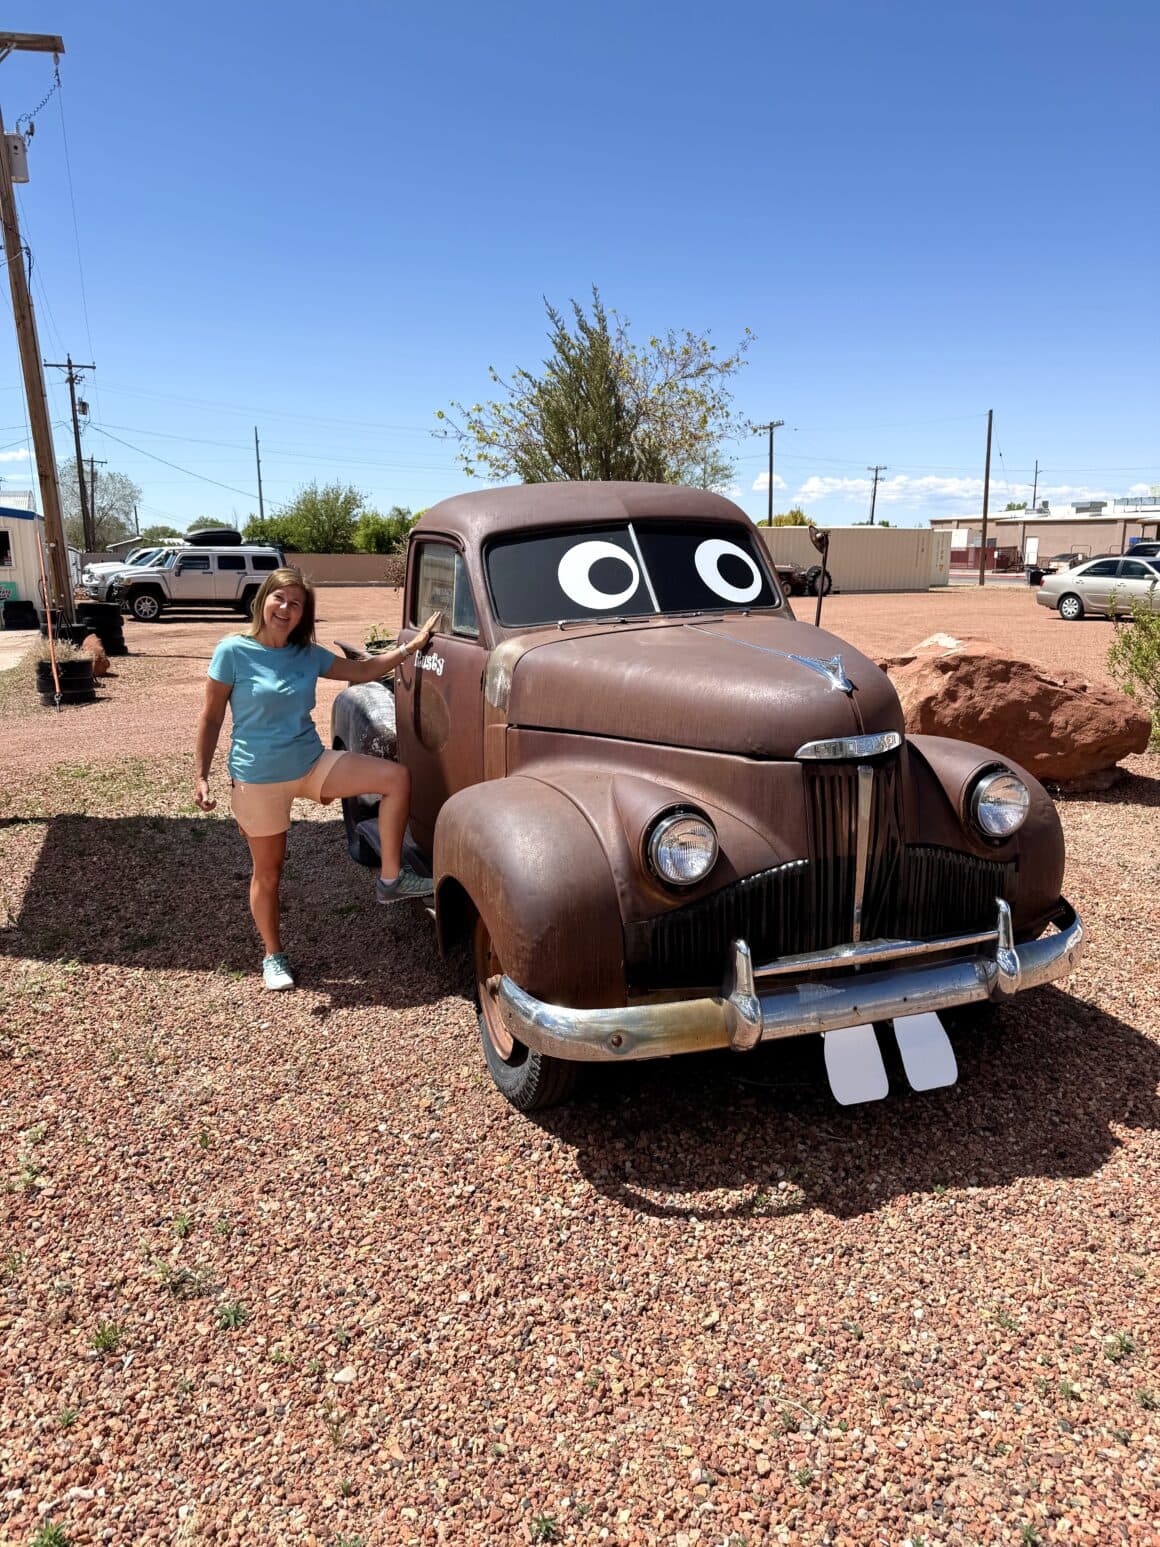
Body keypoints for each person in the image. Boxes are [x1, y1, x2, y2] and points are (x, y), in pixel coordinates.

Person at [194, 565, 440, 992]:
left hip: (310, 764)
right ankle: (273, 955)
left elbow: (362, 671)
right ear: (263, 600)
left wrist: (413, 647)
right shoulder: (233, 651)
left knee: (396, 778)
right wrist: (200, 773)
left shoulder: (308, 654)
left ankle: (390, 879)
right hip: (258, 778)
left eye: (296, 603)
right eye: (279, 599)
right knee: (268, 873)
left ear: (303, 613)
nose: (285, 609)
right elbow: (212, 715)